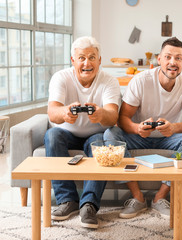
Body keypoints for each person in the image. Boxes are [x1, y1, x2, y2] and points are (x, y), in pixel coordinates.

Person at [104, 37, 182, 219]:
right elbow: (122, 118)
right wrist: (137, 128)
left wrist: (173, 127)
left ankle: (160, 197)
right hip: (139, 136)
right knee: (110, 134)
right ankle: (137, 197)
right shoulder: (141, 80)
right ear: (159, 59)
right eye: (168, 57)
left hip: (169, 137)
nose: (173, 62)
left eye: (178, 58)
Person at [44, 36, 121, 229]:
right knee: (52, 136)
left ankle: (89, 205)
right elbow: (52, 114)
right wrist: (65, 112)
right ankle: (67, 201)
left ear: (100, 60)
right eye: (82, 58)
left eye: (92, 57)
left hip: (95, 134)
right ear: (73, 60)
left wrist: (101, 113)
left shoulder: (109, 81)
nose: (87, 63)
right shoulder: (61, 78)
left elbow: (113, 117)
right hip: (65, 132)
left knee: (101, 146)